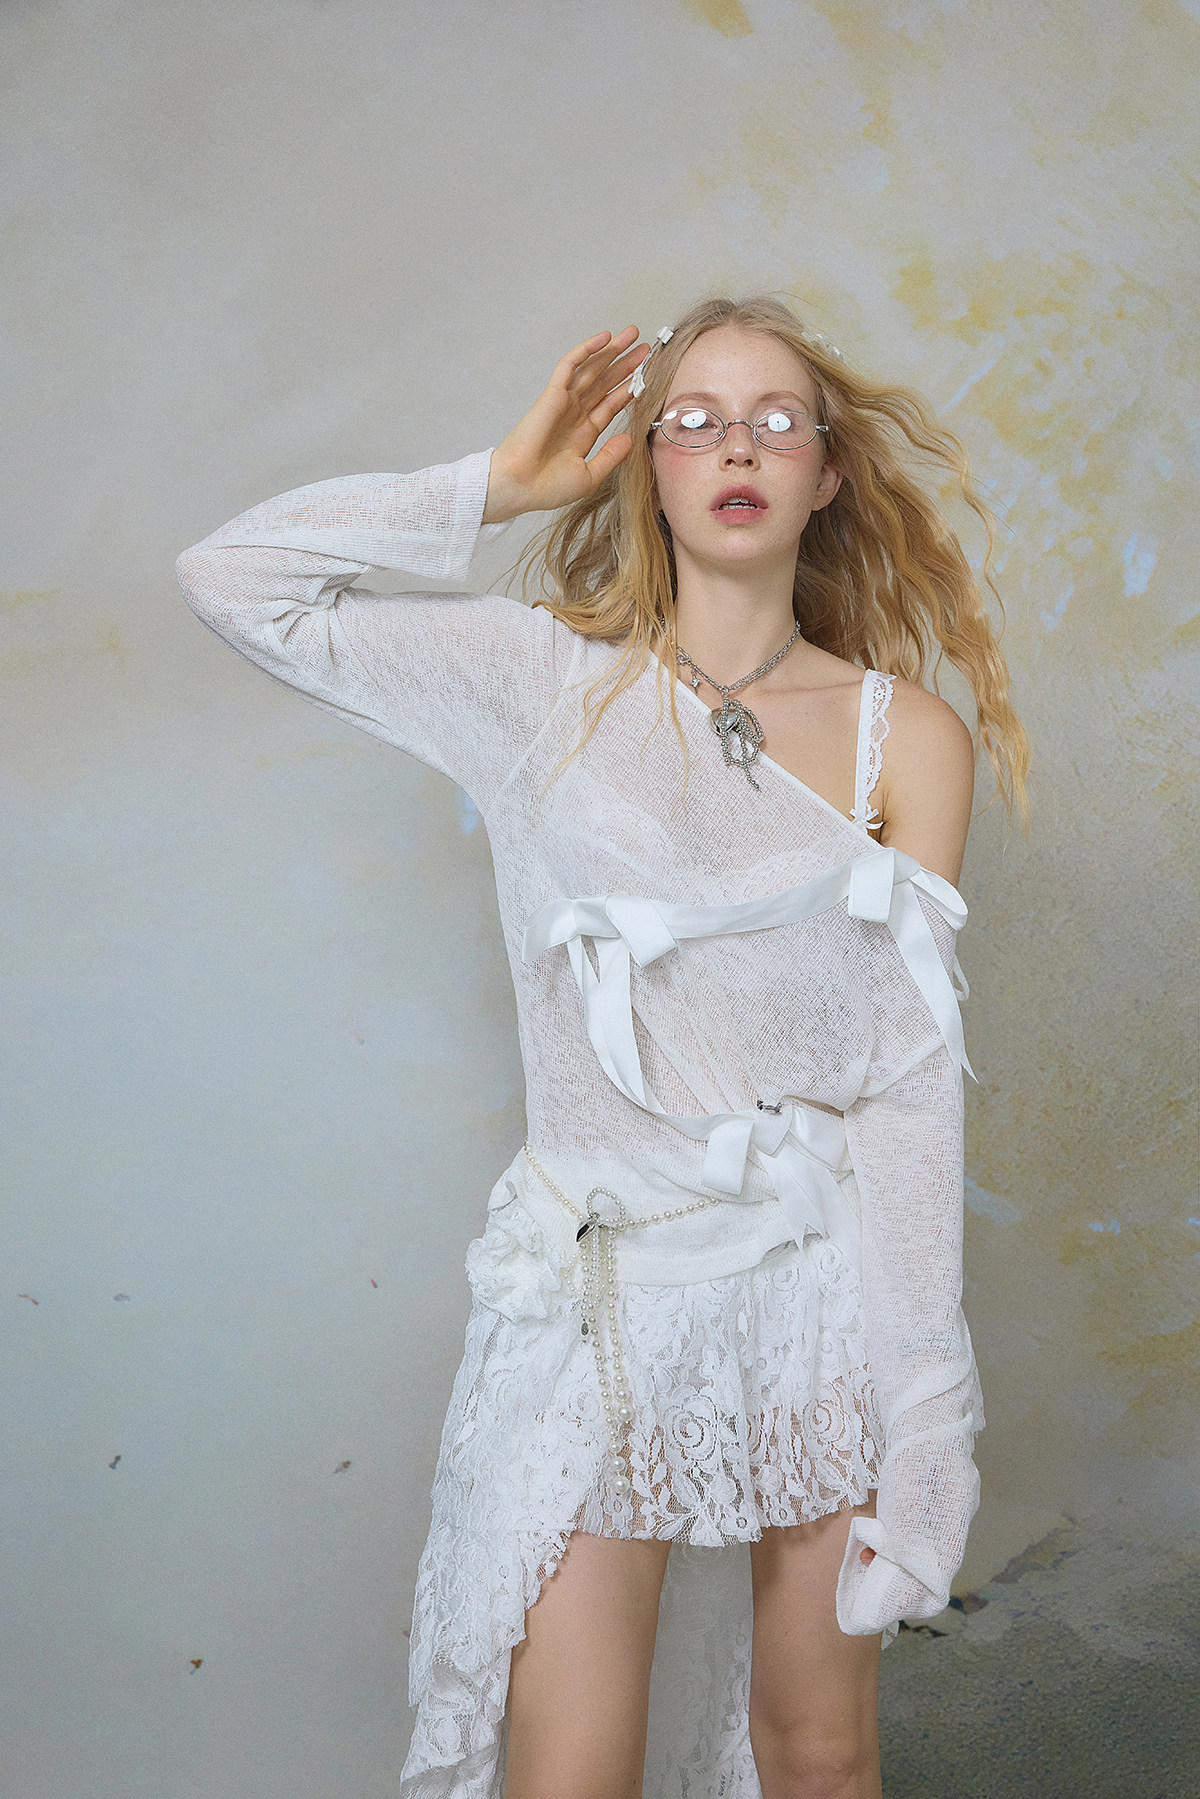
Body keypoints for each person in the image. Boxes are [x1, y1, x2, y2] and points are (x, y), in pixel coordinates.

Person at [176, 294, 1029, 1799]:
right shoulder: (536, 685)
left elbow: (902, 1090)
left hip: (815, 1297)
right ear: (646, 464)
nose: (736, 450)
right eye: (693, 421)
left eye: (776, 422)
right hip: (600, 1297)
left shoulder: (909, 740)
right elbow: (232, 578)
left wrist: (927, 1421)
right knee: (569, 1778)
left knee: (823, 1756)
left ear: (829, 472)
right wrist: (496, 487)